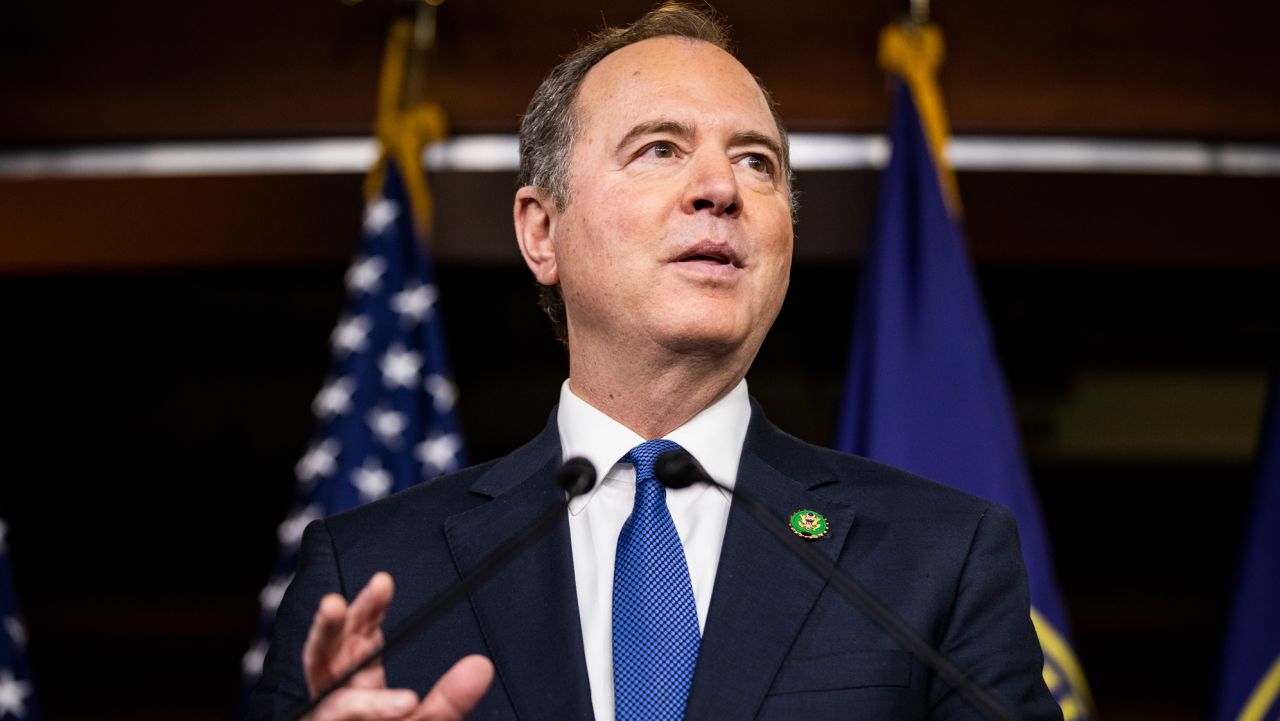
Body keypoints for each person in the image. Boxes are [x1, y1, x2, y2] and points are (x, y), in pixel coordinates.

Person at [249, 4, 1061, 721]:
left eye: (757, 162)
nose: (720, 187)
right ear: (541, 231)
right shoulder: (372, 575)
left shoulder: (938, 556)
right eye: (660, 149)